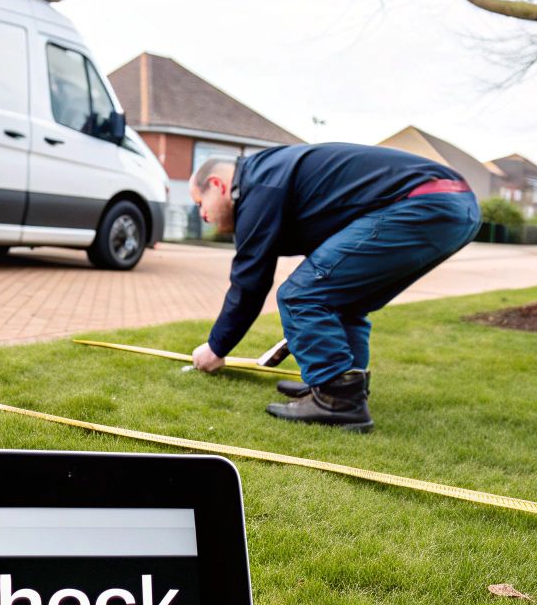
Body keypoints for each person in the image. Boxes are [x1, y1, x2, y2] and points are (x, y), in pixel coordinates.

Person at [188, 143, 481, 432]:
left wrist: (217, 347)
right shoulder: (268, 175)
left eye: (200, 203)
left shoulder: (260, 184)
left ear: (218, 184)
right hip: (456, 205)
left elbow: (250, 280)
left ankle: (337, 400)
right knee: (342, 299)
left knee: (299, 295)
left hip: (425, 202)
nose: (202, 214)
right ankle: (337, 386)